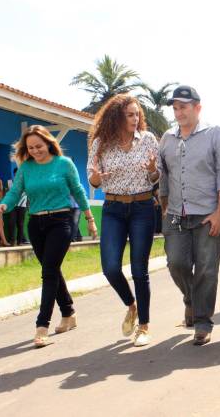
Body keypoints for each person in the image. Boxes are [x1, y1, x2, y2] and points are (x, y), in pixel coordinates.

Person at [0, 125, 97, 348]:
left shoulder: (64, 164)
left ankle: (42, 325)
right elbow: (16, 191)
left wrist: (89, 218)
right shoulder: (26, 167)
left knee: (48, 272)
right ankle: (69, 313)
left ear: (49, 143)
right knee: (52, 270)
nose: (35, 151)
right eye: (30, 147)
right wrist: (6, 204)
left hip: (60, 222)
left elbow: (78, 190)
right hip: (35, 224)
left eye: (39, 146)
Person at [159, 85, 220, 346]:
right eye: (175, 108)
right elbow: (163, 175)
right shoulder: (167, 138)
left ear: (197, 108)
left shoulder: (215, 135)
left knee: (206, 269)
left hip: (207, 215)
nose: (178, 112)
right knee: (176, 263)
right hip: (176, 214)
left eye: (183, 107)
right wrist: (164, 206)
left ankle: (202, 322)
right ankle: (191, 299)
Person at [88, 94, 160, 347]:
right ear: (117, 117)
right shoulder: (101, 143)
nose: (135, 118)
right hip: (113, 208)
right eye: (130, 114)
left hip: (142, 207)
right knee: (110, 268)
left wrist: (152, 170)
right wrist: (96, 177)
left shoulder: (148, 140)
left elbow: (156, 177)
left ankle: (144, 326)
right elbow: (93, 181)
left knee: (139, 269)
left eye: (137, 114)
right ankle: (132, 306)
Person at [6, 167, 29, 245]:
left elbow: (29, 194)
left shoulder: (26, 182)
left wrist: (28, 205)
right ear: (14, 174)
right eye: (16, 173)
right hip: (12, 206)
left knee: (20, 224)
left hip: (22, 206)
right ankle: (12, 241)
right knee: (11, 223)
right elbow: (7, 194)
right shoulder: (9, 182)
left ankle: (20, 241)